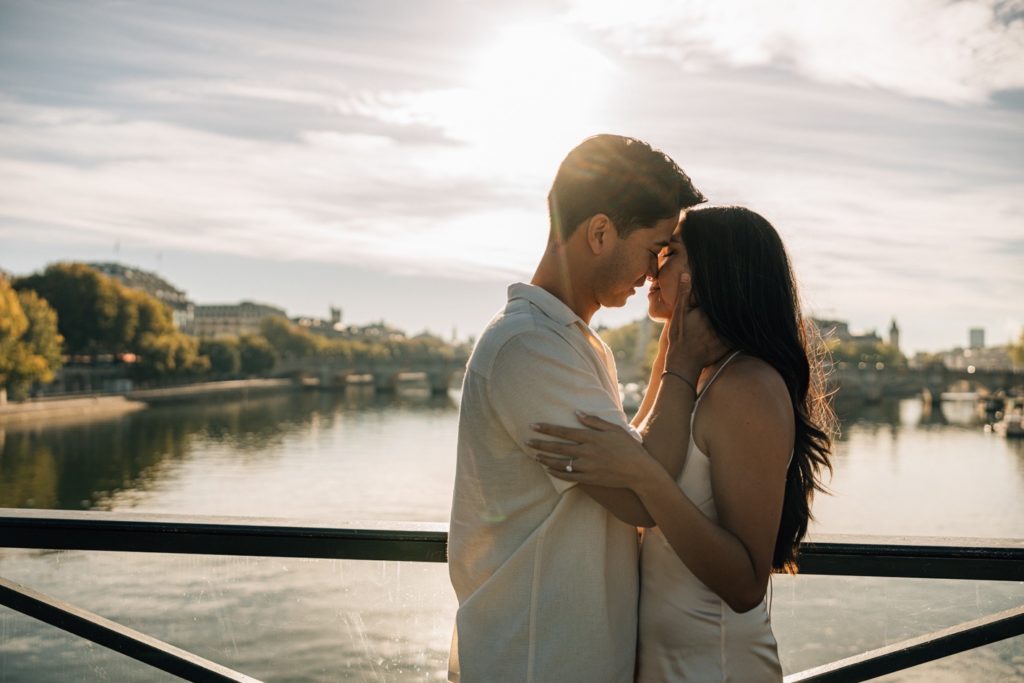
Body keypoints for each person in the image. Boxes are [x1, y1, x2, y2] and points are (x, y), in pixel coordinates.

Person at [530, 206, 835, 682]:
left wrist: (641, 476)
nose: (652, 268)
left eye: (670, 253)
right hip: (664, 661)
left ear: (713, 272)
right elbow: (644, 458)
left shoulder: (747, 386)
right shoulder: (684, 366)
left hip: (714, 665)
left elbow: (746, 583)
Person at [447, 134, 708, 682]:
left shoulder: (569, 341)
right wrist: (682, 357)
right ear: (599, 232)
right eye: (653, 247)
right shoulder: (530, 347)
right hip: (536, 659)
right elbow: (638, 498)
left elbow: (634, 460)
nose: (654, 271)